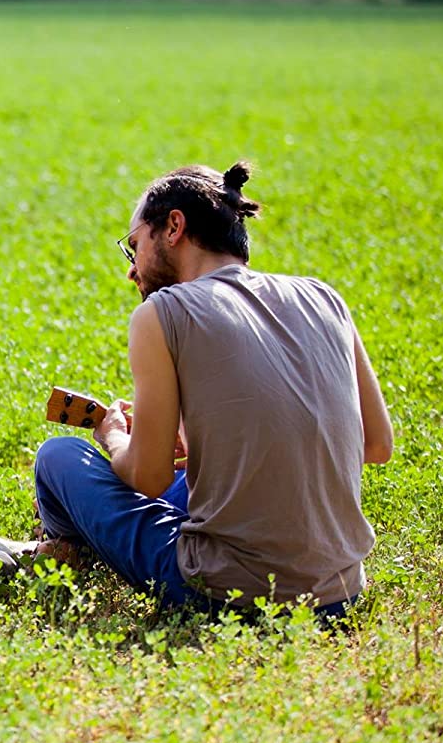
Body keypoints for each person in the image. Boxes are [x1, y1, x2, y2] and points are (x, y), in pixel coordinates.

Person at [20, 161, 392, 618]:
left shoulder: (163, 312)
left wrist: (114, 433)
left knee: (57, 458)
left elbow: (149, 477)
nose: (132, 270)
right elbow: (377, 444)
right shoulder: (323, 296)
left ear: (173, 226)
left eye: (134, 246)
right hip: (341, 592)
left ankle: (64, 550)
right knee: (184, 481)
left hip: (229, 592)